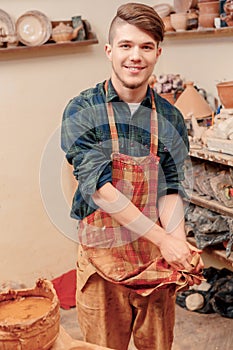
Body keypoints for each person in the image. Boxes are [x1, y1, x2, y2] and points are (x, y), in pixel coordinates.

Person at [61, 3, 204, 350]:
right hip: (101, 261)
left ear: (158, 52)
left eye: (145, 46)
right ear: (110, 51)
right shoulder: (82, 110)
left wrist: (178, 244)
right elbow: (101, 192)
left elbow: (171, 189)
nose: (135, 56)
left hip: (152, 258)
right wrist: (164, 239)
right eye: (126, 45)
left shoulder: (170, 118)